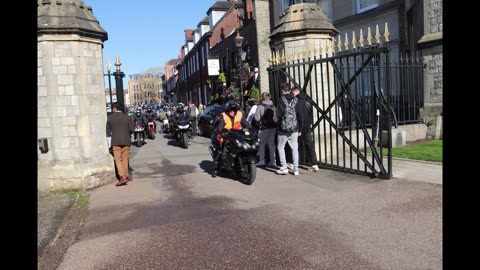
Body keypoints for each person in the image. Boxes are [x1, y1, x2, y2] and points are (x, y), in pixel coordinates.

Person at [211, 100, 249, 177]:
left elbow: (245, 124)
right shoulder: (223, 116)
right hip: (224, 136)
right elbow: (220, 127)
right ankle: (215, 169)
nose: (232, 112)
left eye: (234, 110)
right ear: (227, 110)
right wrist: (222, 131)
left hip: (236, 135)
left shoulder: (239, 114)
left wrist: (248, 129)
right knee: (219, 151)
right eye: (230, 110)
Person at [276, 82, 304, 176]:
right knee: (295, 148)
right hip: (294, 128)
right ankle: (296, 169)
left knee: (280, 147)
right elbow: (300, 115)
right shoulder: (297, 100)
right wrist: (300, 129)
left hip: (283, 129)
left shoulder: (281, 100)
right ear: (290, 90)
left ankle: (284, 167)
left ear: (283, 90)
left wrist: (280, 124)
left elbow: (278, 115)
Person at [291, 86, 319, 172]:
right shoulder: (307, 98)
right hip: (307, 125)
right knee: (309, 145)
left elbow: (300, 115)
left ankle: (295, 163)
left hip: (300, 126)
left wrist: (299, 129)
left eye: (292, 93)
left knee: (296, 145)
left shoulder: (297, 100)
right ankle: (314, 164)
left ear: (295, 92)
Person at [106, 103, 134, 186]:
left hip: (115, 141)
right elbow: (131, 129)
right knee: (125, 158)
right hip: (126, 141)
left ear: (114, 108)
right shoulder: (127, 117)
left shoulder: (110, 118)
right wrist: (127, 134)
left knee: (118, 159)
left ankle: (122, 177)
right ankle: (126, 176)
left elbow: (107, 132)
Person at [254, 92, 278, 167]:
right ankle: (273, 161)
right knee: (271, 144)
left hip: (264, 127)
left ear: (262, 97)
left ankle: (262, 160)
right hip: (273, 127)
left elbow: (257, 118)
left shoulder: (260, 106)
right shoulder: (273, 106)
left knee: (262, 143)